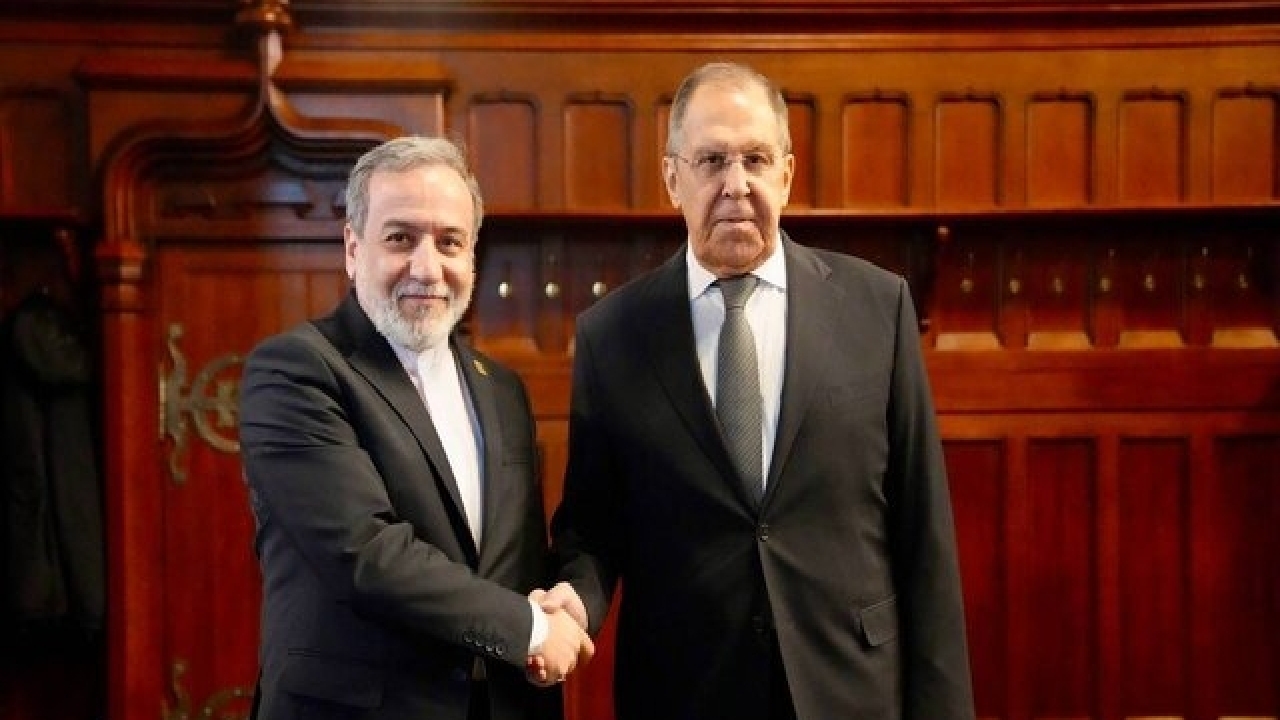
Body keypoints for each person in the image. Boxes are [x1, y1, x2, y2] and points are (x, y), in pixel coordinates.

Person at [543, 62, 976, 719]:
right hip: (686, 694)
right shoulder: (613, 335)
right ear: (672, 178)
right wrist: (574, 600)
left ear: (787, 175)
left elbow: (924, 536)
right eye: (712, 160)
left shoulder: (876, 308)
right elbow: (593, 529)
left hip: (849, 688)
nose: (736, 184)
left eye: (756, 159)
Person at [239, 135, 592, 720]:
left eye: (449, 241)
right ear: (353, 248)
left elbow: (513, 559)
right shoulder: (296, 369)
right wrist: (529, 628)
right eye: (401, 238)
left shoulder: (502, 388)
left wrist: (565, 601)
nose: (427, 268)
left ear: (472, 256)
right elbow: (366, 553)